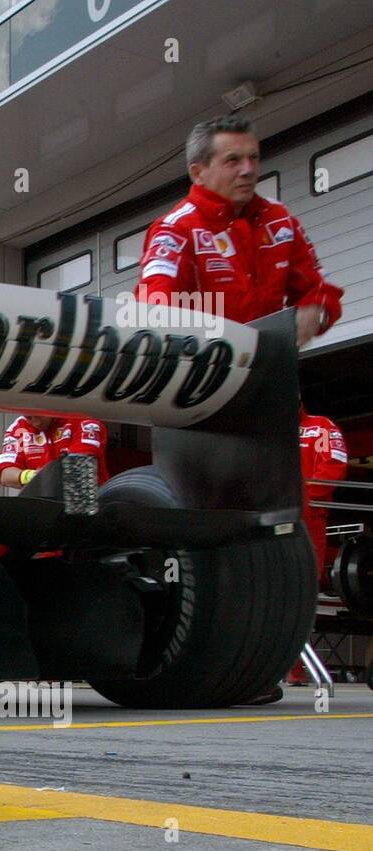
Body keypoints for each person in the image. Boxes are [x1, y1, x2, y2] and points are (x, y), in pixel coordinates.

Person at [134, 115, 343, 346]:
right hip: (207, 371)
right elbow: (154, 305)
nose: (248, 170)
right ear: (198, 173)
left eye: (253, 158)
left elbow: (319, 288)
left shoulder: (279, 219)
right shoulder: (175, 229)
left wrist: (315, 308)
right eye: (233, 160)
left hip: (271, 368)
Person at [287, 408, 348, 686]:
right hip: (270, 514)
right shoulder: (266, 426)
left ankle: (294, 668)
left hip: (308, 517)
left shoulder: (321, 426)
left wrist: (305, 500)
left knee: (302, 591)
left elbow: (334, 463)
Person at [0, 414, 109, 489]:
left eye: (39, 416)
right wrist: (31, 476)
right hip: (42, 505)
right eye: (29, 417)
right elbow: (4, 474)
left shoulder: (83, 419)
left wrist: (45, 477)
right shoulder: (19, 426)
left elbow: (77, 466)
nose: (36, 422)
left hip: (85, 498)